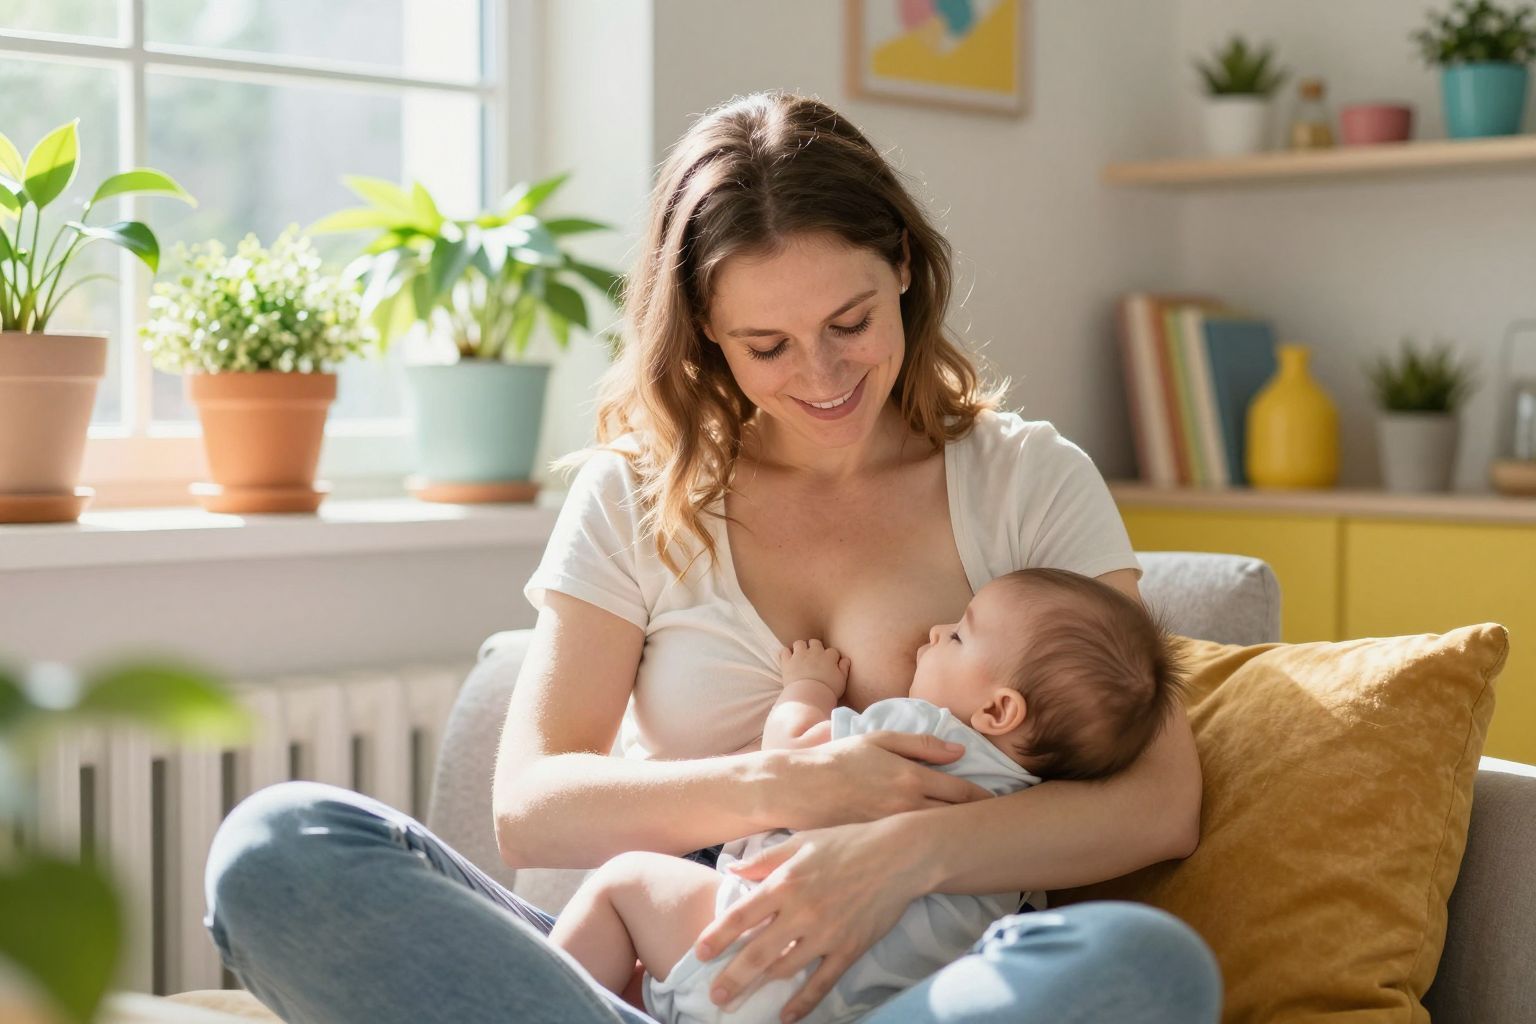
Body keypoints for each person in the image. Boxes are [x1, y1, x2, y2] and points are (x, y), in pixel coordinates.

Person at [203, 89, 1222, 1024]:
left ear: (905, 266)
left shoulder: (1026, 479)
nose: (821, 376)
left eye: (850, 322)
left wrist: (899, 856)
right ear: (704, 335)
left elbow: (1159, 801)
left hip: (915, 991)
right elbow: (529, 808)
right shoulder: (636, 493)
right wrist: (791, 785)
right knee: (278, 848)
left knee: (1138, 960)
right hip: (682, 970)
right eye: (767, 345)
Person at [549, 568, 1188, 1024]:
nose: (937, 631)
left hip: (753, 949)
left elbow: (792, 753)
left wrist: (806, 688)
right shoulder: (1030, 829)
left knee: (623, 885)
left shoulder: (926, 735)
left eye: (960, 636)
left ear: (996, 709)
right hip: (854, 1005)